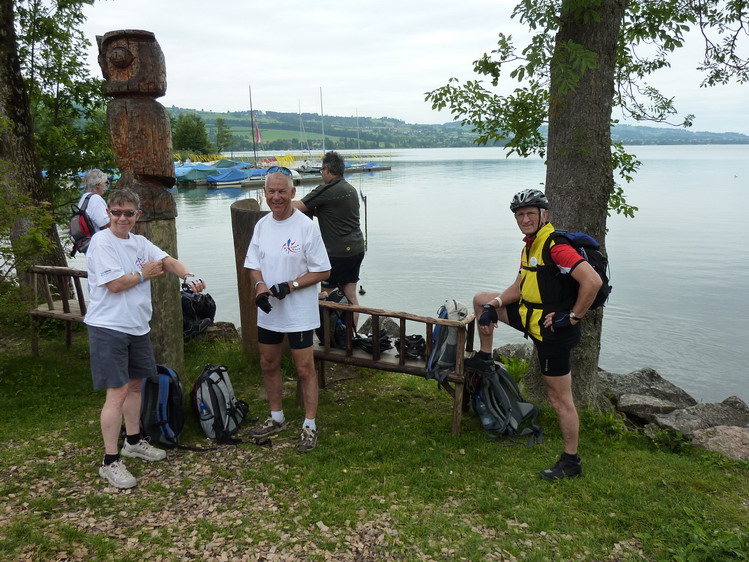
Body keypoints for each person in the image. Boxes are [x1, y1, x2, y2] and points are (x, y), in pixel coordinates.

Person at [466, 188, 602, 481]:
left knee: (559, 398)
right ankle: (485, 358)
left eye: (530, 213)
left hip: (553, 330)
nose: (524, 219)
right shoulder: (530, 246)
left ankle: (571, 461)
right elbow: (518, 287)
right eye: (519, 215)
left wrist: (573, 317)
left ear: (544, 215)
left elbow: (592, 281)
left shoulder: (555, 247)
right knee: (480, 300)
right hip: (530, 317)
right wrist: (494, 305)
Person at [84, 188, 205, 489]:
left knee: (136, 385)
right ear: (108, 213)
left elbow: (167, 260)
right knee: (117, 393)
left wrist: (187, 275)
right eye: (116, 212)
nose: (122, 218)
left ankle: (134, 441)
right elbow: (114, 284)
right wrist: (142, 274)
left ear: (138, 215)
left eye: (129, 213)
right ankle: (110, 461)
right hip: (109, 327)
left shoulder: (139, 242)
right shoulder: (101, 242)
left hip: (137, 326)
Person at [245, 166, 331, 453]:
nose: (276, 197)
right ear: (264, 193)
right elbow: (253, 265)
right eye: (271, 191)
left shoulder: (306, 226)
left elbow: (323, 270)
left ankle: (310, 425)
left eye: (282, 191)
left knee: (304, 368)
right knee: (268, 363)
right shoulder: (262, 226)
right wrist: (259, 286)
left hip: (299, 313)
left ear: (293, 192)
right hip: (269, 311)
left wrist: (292, 285)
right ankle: (277, 416)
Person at [292, 151, 365, 325]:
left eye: (321, 171)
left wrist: (273, 201)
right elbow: (334, 213)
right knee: (350, 294)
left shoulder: (328, 189)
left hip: (338, 253)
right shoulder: (350, 189)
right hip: (357, 248)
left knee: (327, 294)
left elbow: (298, 206)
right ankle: (351, 334)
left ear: (326, 169)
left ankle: (331, 335)